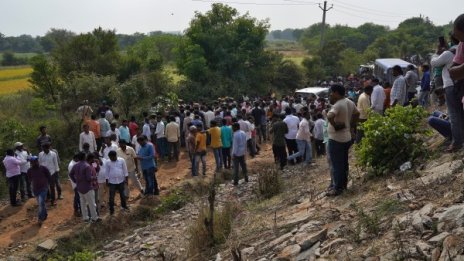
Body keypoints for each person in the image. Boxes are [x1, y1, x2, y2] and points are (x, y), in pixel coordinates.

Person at [326, 84, 359, 196]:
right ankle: (343, 185)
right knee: (344, 163)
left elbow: (329, 116)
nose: (330, 94)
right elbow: (357, 113)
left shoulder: (338, 104)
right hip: (346, 138)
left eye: (331, 92)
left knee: (337, 164)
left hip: (336, 139)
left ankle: (338, 188)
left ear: (336, 93)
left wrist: (335, 125)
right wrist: (351, 126)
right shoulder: (349, 102)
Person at [432, 34, 461, 152]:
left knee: (454, 115)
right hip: (458, 84)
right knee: (457, 113)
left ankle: (457, 141)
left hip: (450, 85)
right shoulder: (458, 50)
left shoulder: (449, 53)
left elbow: (434, 63)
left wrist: (437, 52)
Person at [69, 152, 100, 222]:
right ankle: (95, 218)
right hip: (88, 187)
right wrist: (94, 177)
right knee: (92, 203)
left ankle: (85, 218)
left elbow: (70, 174)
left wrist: (76, 181)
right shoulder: (87, 166)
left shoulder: (76, 165)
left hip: (80, 187)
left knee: (83, 203)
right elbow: (89, 178)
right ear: (85, 157)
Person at [27, 156, 51, 225]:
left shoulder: (43, 168)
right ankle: (45, 214)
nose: (35, 163)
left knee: (40, 203)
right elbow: (29, 179)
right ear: (31, 163)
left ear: (38, 161)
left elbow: (49, 176)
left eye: (36, 161)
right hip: (35, 189)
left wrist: (47, 185)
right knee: (41, 203)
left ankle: (40, 218)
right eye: (33, 162)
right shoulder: (29, 170)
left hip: (44, 188)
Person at [105, 151, 129, 215]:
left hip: (121, 180)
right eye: (110, 158)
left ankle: (124, 206)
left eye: (112, 157)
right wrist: (107, 181)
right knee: (111, 197)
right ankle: (111, 210)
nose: (111, 159)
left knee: (122, 195)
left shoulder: (121, 160)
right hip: (112, 182)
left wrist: (126, 179)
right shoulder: (108, 162)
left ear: (115, 156)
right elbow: (107, 172)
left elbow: (125, 170)